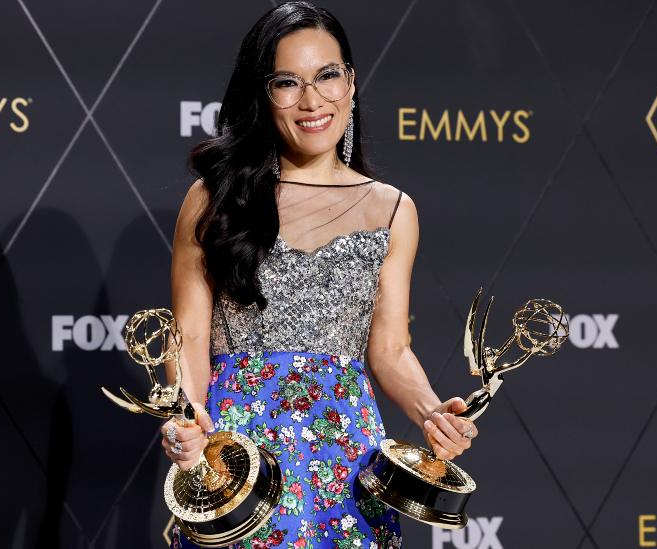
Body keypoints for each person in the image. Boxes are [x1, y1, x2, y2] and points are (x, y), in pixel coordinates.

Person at [165, 3, 478, 547]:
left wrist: (433, 414)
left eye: (328, 75)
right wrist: (189, 426)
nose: (313, 101)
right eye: (288, 82)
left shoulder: (392, 210)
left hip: (348, 464)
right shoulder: (215, 200)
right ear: (263, 95)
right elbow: (188, 337)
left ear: (352, 83)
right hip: (242, 464)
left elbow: (390, 349)